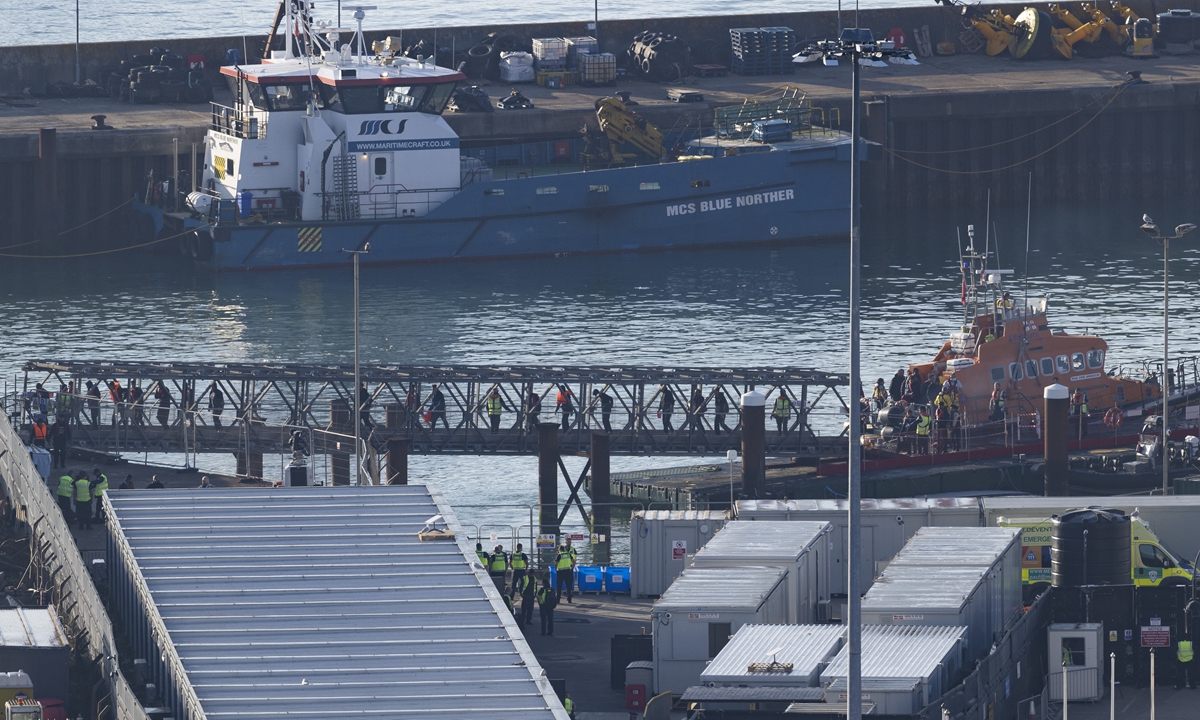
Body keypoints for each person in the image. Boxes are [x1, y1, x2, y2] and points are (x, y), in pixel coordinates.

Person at [555, 539, 578, 604]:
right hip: (568, 570)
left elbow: (556, 562)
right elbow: (574, 561)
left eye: (570, 541)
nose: (569, 543)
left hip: (561, 571)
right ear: (565, 542)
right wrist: (572, 567)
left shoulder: (571, 550)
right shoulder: (568, 554)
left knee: (559, 586)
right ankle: (569, 599)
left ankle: (558, 600)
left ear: (559, 550)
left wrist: (556, 569)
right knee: (568, 585)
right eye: (568, 542)